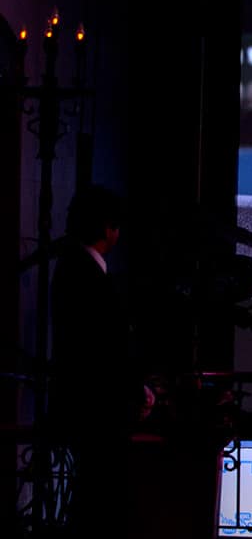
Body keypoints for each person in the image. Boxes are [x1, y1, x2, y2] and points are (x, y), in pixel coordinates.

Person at [48, 183, 142, 538]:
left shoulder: (71, 268)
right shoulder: (86, 274)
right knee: (98, 504)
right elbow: (105, 349)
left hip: (87, 409)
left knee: (91, 501)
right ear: (108, 228)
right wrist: (135, 389)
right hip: (98, 412)